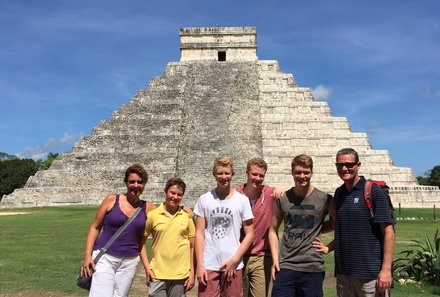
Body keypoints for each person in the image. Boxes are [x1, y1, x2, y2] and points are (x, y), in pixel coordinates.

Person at [315, 148, 394, 297]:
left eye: (349, 164)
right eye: (340, 165)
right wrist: (327, 248)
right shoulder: (339, 193)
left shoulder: (373, 191)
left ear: (358, 165)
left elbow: (389, 233)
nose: (344, 168)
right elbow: (342, 228)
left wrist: (386, 270)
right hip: (344, 273)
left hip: (370, 274)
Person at [80, 163, 155, 297]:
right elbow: (95, 227)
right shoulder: (111, 200)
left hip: (130, 261)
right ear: (126, 183)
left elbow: (166, 216)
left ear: (144, 184)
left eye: (140, 182)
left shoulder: (148, 207)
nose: (136, 185)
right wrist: (87, 255)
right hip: (105, 257)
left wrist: (184, 210)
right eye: (132, 181)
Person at [268, 154, 332, 297]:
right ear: (292, 172)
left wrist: (328, 247)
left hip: (312, 266)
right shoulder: (283, 199)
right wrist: (274, 259)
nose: (302, 176)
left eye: (306, 172)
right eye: (298, 172)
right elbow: (272, 229)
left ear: (312, 172)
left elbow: (340, 223)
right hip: (286, 264)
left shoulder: (324, 198)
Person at [194, 155, 255, 297]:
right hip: (209, 263)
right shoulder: (204, 199)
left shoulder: (242, 200)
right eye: (220, 173)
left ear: (232, 174)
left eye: (227, 173)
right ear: (214, 174)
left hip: (233, 264)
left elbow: (250, 233)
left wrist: (235, 260)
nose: (224, 176)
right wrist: (200, 265)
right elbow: (199, 233)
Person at [143, 177, 196, 297]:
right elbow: (140, 243)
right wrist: (147, 268)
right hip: (157, 274)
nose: (175, 197)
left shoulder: (187, 216)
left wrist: (192, 273)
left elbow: (193, 247)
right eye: (172, 193)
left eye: (179, 194)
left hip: (180, 275)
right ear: (165, 192)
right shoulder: (153, 215)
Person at [236, 157, 279, 297]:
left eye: (261, 175)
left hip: (261, 256)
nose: (258, 178)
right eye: (254, 174)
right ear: (247, 173)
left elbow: (293, 194)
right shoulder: (235, 194)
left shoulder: (270, 193)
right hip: (238, 256)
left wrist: (282, 190)